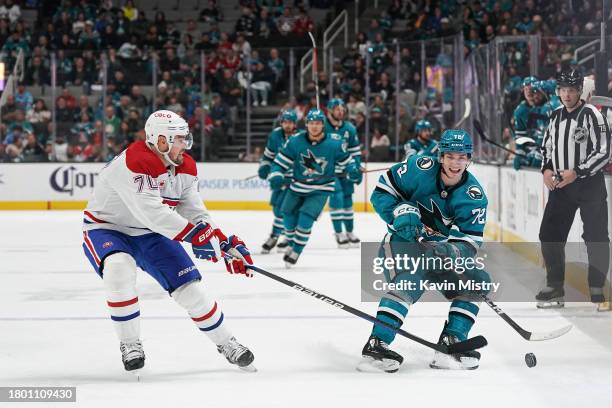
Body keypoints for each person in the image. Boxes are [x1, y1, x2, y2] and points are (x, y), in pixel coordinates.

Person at [82, 110, 256, 373]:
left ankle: (227, 342)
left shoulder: (184, 165)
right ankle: (130, 344)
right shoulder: (136, 160)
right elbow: (151, 212)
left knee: (191, 288)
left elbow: (194, 211)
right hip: (108, 229)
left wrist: (223, 242)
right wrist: (196, 235)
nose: (184, 144)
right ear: (161, 140)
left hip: (151, 233)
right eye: (179, 139)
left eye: (185, 138)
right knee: (118, 269)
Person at [359, 130, 490, 373]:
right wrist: (397, 212)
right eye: (450, 156)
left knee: (478, 280)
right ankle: (377, 344)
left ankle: (452, 340)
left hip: (437, 255)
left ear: (469, 159)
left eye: (462, 157)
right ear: (441, 156)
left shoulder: (474, 196)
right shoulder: (419, 168)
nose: (455, 163)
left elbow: (471, 242)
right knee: (410, 280)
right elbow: (382, 192)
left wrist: (450, 251)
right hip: (401, 244)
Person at [537, 69, 611, 309]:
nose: (567, 95)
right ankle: (555, 286)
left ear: (580, 90)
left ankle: (597, 287)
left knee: (596, 236)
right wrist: (547, 169)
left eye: (571, 90)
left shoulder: (592, 115)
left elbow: (603, 151)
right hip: (561, 186)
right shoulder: (555, 115)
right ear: (558, 91)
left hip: (589, 185)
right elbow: (546, 146)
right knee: (549, 234)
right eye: (563, 90)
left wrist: (577, 171)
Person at [268, 108, 361, 267]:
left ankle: (296, 250)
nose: (314, 126)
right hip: (297, 187)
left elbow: (348, 161)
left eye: (318, 123)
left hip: (321, 188)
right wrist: (276, 173)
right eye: (311, 123)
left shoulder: (335, 142)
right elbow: (280, 162)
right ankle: (291, 242)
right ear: (307, 124)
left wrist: (353, 170)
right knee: (287, 215)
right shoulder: (296, 141)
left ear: (323, 125)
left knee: (306, 217)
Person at [258, 109, 298, 254]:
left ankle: (275, 236)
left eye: (290, 122)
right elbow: (268, 155)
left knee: (284, 209)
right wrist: (265, 166)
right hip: (278, 176)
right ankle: (288, 235)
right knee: (277, 208)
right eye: (285, 122)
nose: (287, 125)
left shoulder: (301, 137)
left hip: (294, 179)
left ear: (295, 123)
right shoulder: (275, 135)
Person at [324, 98, 362, 248]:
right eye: (337, 109)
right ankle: (339, 233)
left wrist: (357, 168)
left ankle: (350, 232)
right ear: (329, 110)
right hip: (329, 171)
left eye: (342, 109)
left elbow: (355, 151)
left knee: (347, 201)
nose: (341, 112)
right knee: (337, 198)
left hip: (346, 170)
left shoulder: (349, 128)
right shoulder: (322, 126)